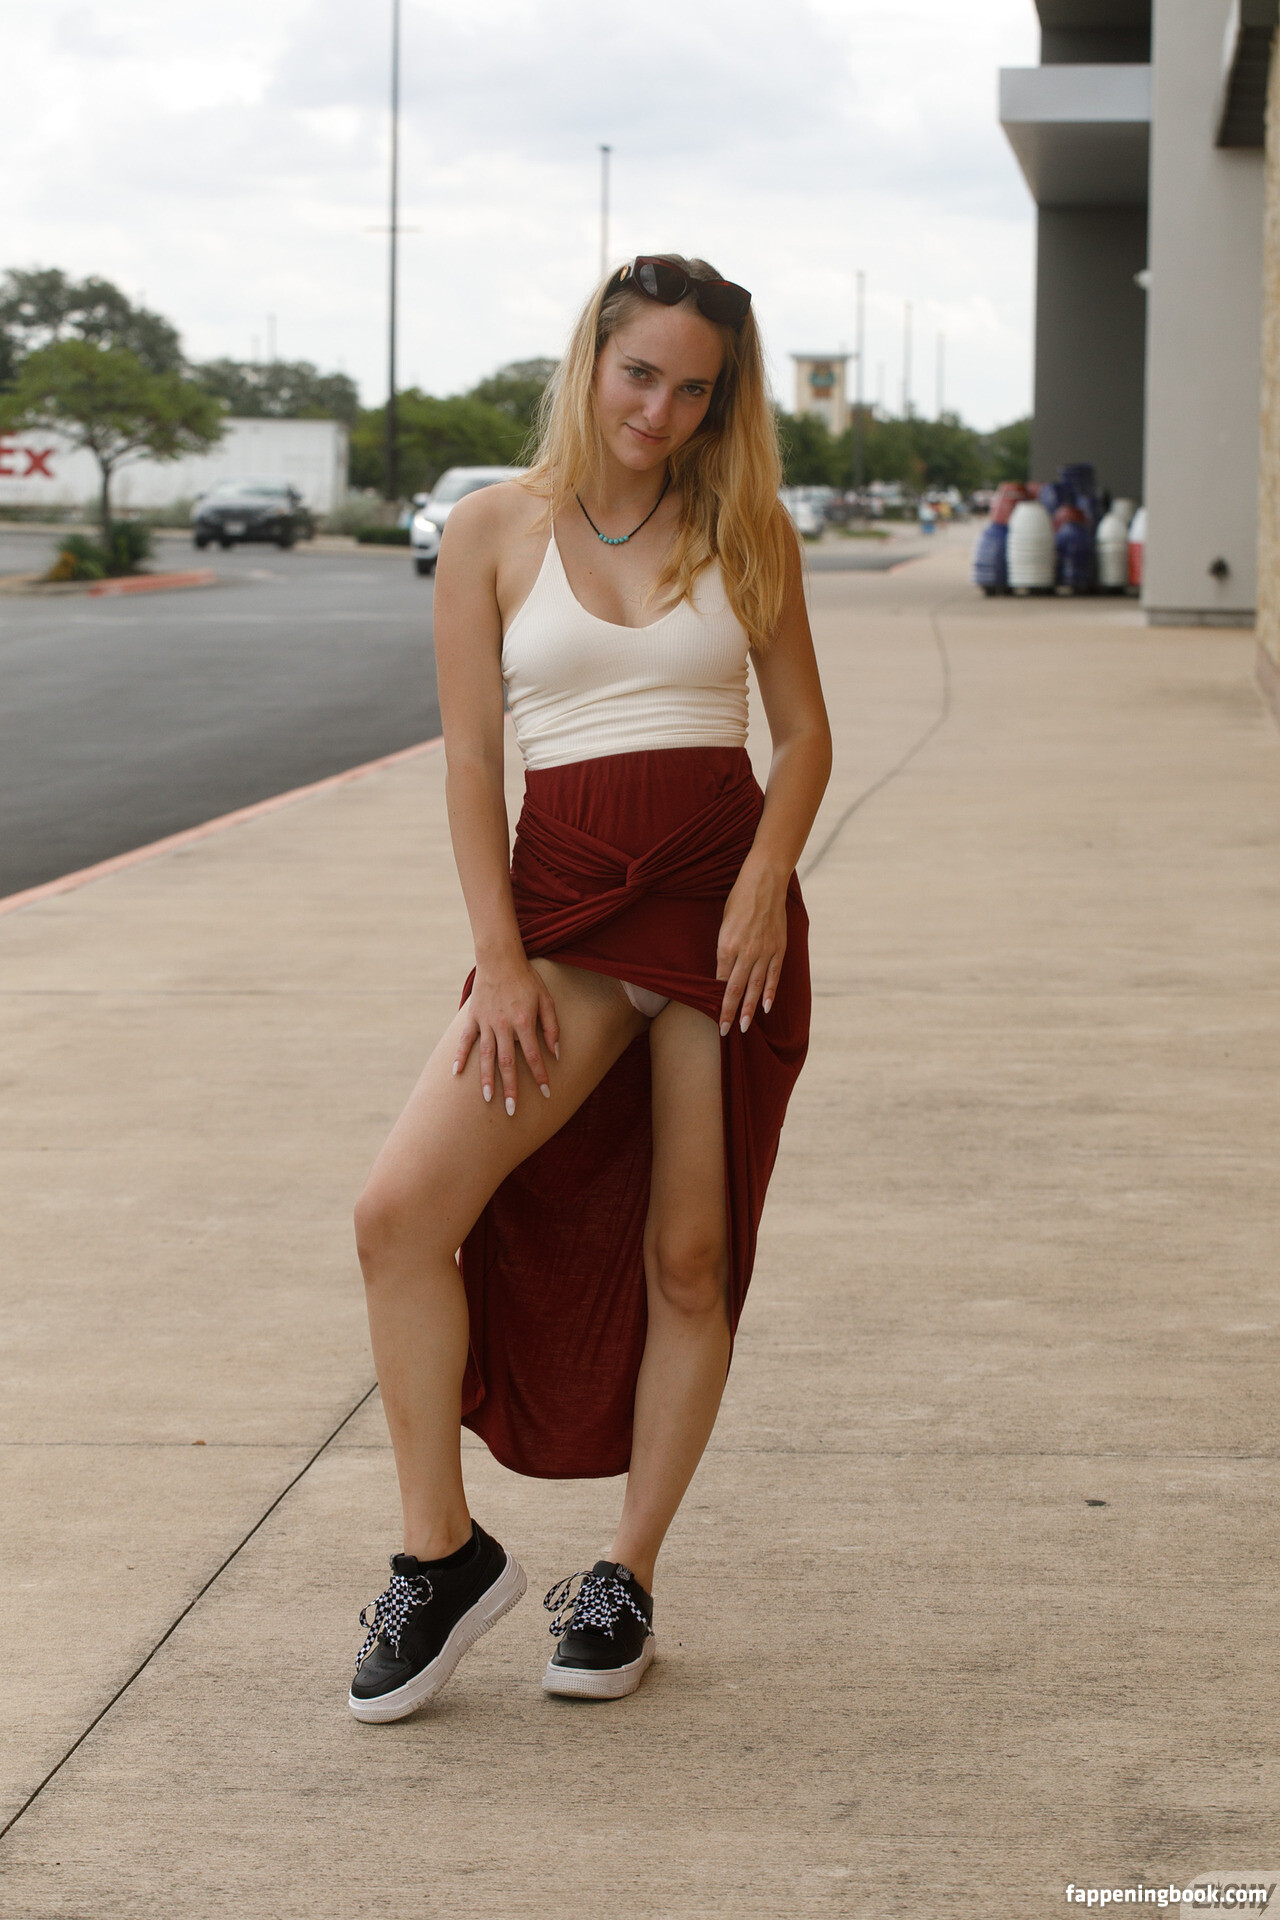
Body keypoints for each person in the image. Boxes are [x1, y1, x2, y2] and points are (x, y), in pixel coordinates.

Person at [349, 254, 832, 1722]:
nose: (659, 410)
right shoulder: (493, 529)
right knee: (398, 1215)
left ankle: (624, 1574)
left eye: (694, 389)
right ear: (591, 358)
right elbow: (471, 761)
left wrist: (763, 884)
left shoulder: (747, 525)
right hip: (564, 913)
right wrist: (499, 960)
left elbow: (804, 734)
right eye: (641, 374)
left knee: (690, 1257)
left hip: (720, 919)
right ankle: (442, 1555)